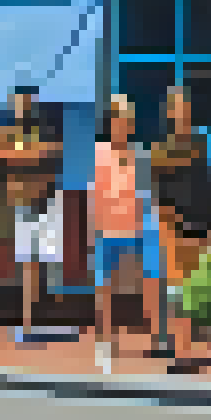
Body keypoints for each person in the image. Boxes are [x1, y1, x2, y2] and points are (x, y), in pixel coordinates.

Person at [0, 87, 65, 343]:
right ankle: (28, 324)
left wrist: (16, 154)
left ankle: (42, 321)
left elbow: (52, 152)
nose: (23, 107)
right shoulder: (7, 133)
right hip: (22, 205)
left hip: (48, 202)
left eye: (27, 101)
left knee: (48, 267)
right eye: (18, 102)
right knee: (29, 265)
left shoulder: (46, 128)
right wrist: (21, 154)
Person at [91, 95, 161, 373]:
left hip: (135, 229)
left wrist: (147, 228)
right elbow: (95, 193)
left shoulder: (140, 154)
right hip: (107, 229)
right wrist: (93, 229)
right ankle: (106, 340)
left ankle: (155, 338)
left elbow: (147, 195)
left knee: (142, 283)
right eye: (120, 119)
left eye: (128, 120)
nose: (124, 125)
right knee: (105, 287)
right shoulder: (100, 153)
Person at [149, 85, 211, 359]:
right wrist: (169, 226)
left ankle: (184, 347)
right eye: (177, 108)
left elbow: (206, 186)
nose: (182, 113)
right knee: (176, 291)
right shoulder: (160, 150)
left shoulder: (200, 145)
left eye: (185, 108)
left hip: (198, 228)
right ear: (169, 112)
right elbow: (157, 192)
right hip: (173, 228)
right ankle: (180, 351)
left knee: (191, 291)